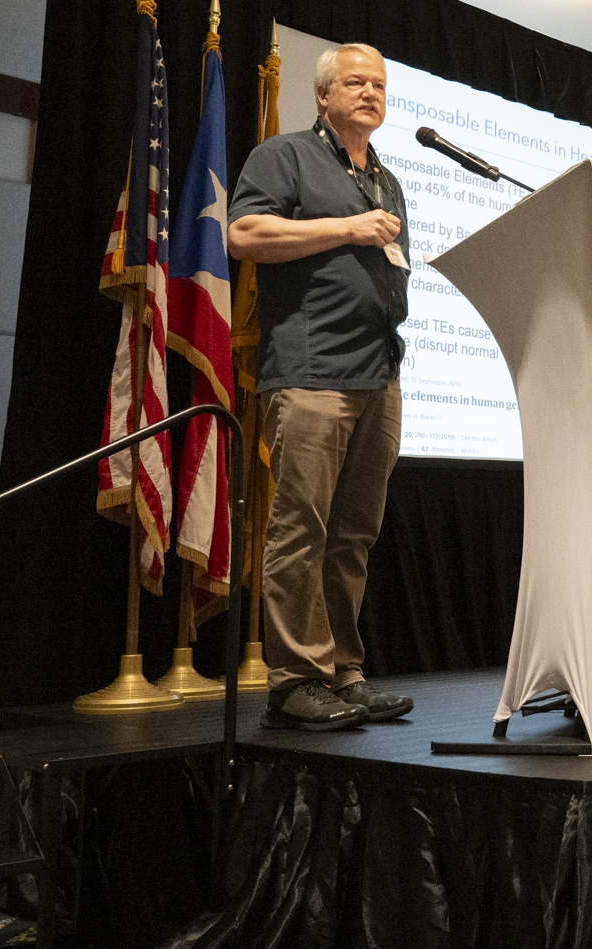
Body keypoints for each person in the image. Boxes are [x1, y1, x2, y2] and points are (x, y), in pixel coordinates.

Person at [227, 42, 414, 731]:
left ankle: (343, 672)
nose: (370, 93)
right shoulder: (286, 156)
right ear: (323, 94)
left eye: (380, 85)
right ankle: (295, 679)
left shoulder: (386, 179)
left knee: (353, 533)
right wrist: (346, 227)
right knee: (301, 527)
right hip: (312, 372)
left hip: (378, 374)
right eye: (356, 82)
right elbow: (244, 233)